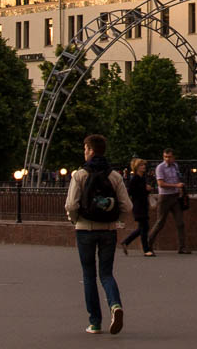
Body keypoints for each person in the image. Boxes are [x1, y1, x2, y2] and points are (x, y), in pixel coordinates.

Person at [65, 134, 131, 335]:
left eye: (85, 149)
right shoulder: (115, 176)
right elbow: (127, 206)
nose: (84, 152)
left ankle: (95, 322)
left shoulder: (80, 175)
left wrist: (75, 219)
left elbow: (71, 204)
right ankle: (115, 305)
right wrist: (116, 220)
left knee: (88, 275)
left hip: (85, 229)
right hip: (108, 230)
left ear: (91, 150)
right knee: (106, 273)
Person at [148, 148, 190, 254]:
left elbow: (178, 178)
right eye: (165, 157)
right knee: (160, 222)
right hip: (165, 197)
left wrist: (181, 189)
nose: (167, 159)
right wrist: (176, 185)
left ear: (173, 157)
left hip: (175, 197)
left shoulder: (175, 166)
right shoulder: (160, 168)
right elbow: (161, 184)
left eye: (169, 157)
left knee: (180, 223)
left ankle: (182, 247)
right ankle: (148, 244)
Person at [121, 158, 155, 257]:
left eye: (144, 165)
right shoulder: (135, 179)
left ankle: (126, 242)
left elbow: (142, 192)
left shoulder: (142, 178)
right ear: (136, 168)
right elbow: (131, 192)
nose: (143, 167)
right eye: (141, 165)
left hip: (143, 205)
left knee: (143, 227)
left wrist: (147, 189)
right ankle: (146, 250)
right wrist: (144, 189)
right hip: (138, 205)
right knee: (144, 228)